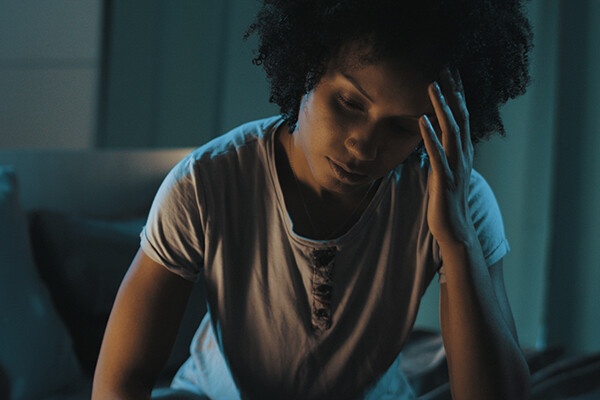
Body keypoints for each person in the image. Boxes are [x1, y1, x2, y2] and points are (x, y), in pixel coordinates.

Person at [92, 0, 533, 399]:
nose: (364, 145)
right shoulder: (205, 183)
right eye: (348, 103)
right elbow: (118, 382)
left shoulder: (459, 199)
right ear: (306, 66)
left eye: (401, 128)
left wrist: (457, 240)